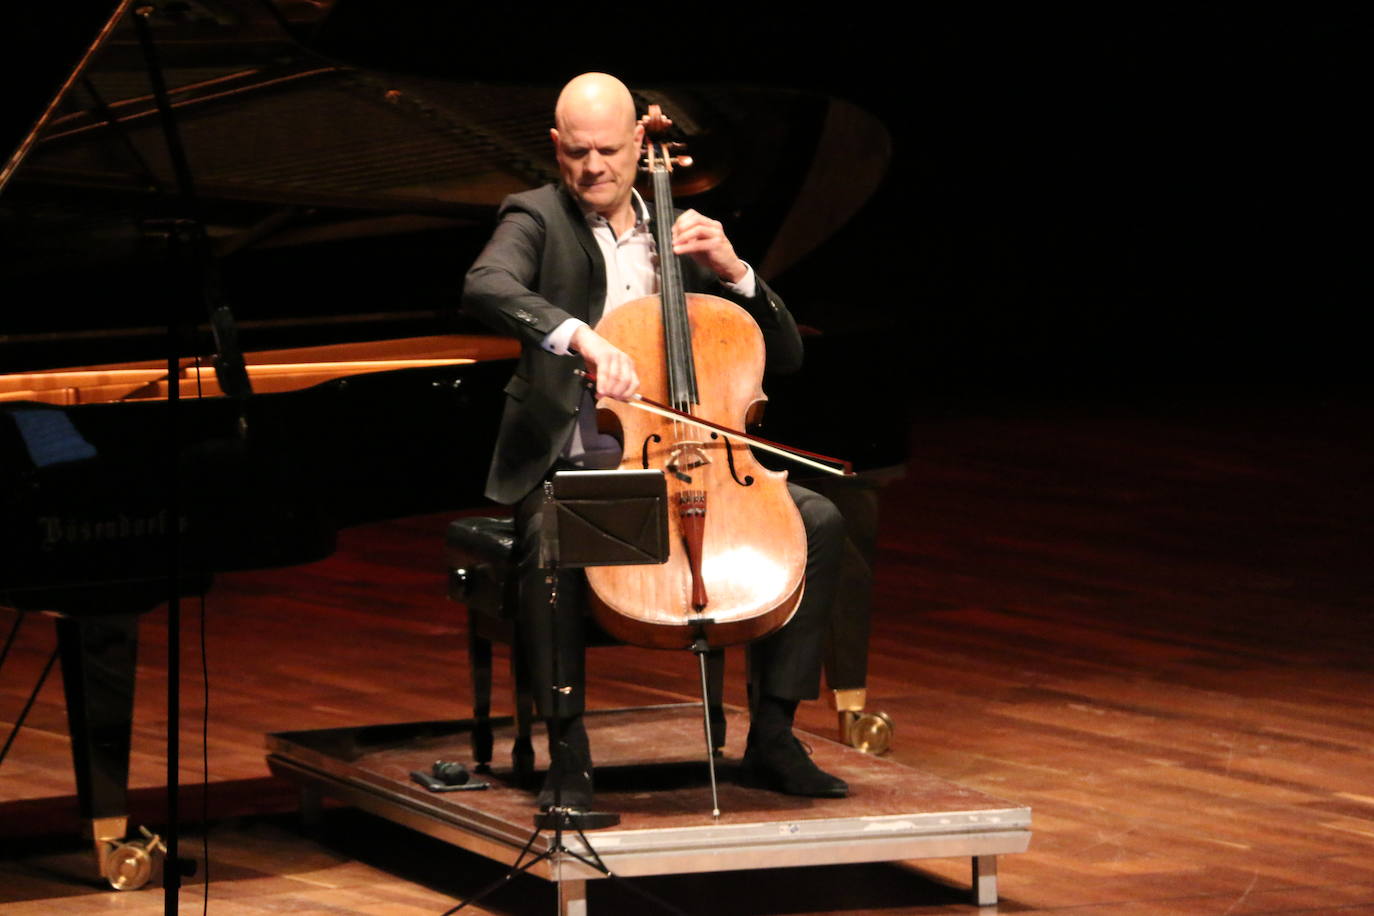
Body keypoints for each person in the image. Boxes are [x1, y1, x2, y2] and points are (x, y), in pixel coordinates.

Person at [463, 72, 847, 810]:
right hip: (582, 468)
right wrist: (581, 339)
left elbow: (786, 356)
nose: (593, 168)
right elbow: (486, 283)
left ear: (643, 144)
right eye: (576, 153)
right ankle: (569, 756)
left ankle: (774, 737)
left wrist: (735, 273)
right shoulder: (536, 215)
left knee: (821, 523)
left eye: (608, 150)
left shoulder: (683, 229)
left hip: (699, 457)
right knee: (551, 540)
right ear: (556, 147)